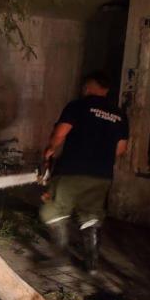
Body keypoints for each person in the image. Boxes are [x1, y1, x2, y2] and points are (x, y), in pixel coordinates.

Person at [39, 71, 129, 273]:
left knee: (52, 211)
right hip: (101, 175)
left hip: (73, 169)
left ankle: (61, 258)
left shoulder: (77, 106)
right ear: (106, 90)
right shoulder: (120, 115)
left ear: (88, 87)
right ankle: (92, 265)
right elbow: (121, 150)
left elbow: (60, 133)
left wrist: (49, 151)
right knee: (91, 216)